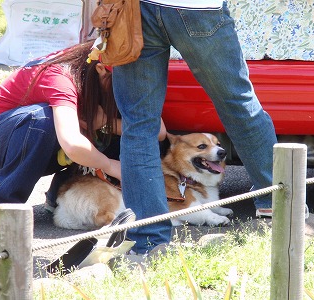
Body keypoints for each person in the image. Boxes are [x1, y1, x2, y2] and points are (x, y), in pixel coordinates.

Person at [112, 1, 278, 254]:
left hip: (136, 9)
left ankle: (148, 239)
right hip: (198, 8)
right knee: (238, 103)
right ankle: (275, 201)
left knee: (138, 126)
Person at [0, 40, 122, 225]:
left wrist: (107, 122)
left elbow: (157, 130)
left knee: (113, 129)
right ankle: (2, 204)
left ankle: (62, 195)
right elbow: (72, 144)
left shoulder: (92, 74)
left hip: (34, 144)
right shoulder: (61, 76)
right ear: (101, 69)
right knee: (43, 119)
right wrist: (110, 165)